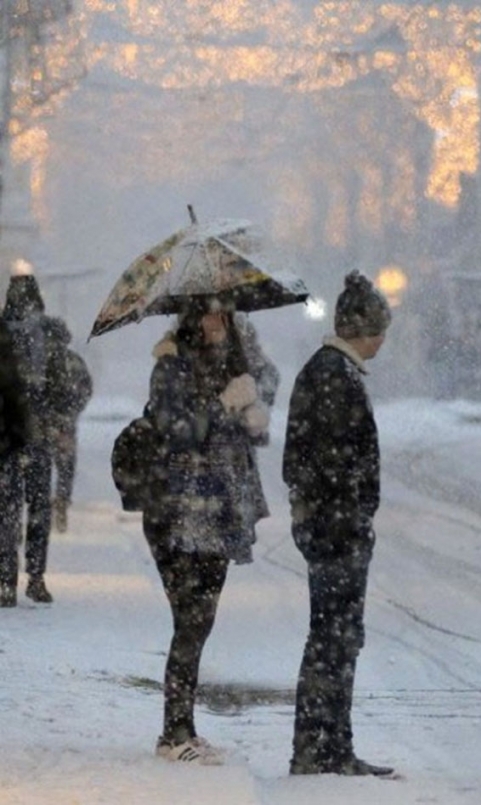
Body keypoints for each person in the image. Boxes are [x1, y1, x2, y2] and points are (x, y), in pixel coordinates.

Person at [144, 296, 272, 765]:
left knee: (202, 620)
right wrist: (223, 405)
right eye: (209, 313)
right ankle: (173, 733)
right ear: (192, 318)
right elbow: (179, 431)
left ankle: (183, 729)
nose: (218, 322)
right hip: (177, 513)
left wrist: (253, 413)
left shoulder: (233, 363)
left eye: (225, 313)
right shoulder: (171, 366)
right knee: (190, 621)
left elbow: (233, 436)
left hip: (220, 513)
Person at [283, 270, 394, 777]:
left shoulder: (328, 372)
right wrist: (349, 515)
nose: (383, 340)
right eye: (381, 330)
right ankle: (321, 747)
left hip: (332, 527)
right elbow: (327, 464)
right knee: (334, 639)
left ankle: (328, 745)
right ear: (364, 330)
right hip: (337, 532)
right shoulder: (335, 377)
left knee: (336, 638)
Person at [1, 264, 73, 604]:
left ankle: (5, 580)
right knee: (38, 508)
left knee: (7, 509)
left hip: (7, 436)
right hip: (39, 433)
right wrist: (59, 421)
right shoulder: (50, 335)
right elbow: (64, 386)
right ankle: (36, 577)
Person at [0, 316, 30, 607]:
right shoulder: (9, 360)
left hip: (6, 448)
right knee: (7, 521)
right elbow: (18, 406)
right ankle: (6, 580)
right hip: (6, 450)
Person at [49, 348, 93, 533]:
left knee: (38, 466)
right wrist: (73, 411)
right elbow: (87, 388)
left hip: (43, 423)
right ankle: (62, 501)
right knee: (66, 466)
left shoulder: (41, 359)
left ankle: (38, 506)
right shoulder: (75, 360)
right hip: (66, 423)